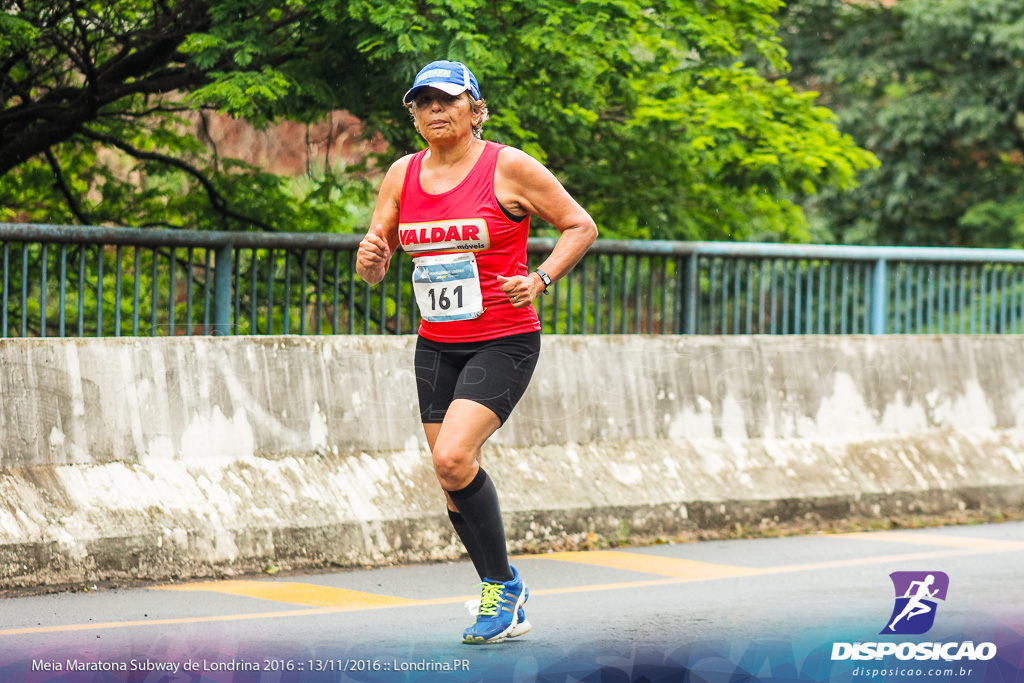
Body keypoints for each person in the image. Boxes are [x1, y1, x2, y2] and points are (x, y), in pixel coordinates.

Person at [355, 59, 597, 644]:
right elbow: (377, 255)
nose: (435, 110)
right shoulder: (402, 174)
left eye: (448, 99)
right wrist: (371, 262)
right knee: (452, 479)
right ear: (413, 115)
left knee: (451, 459)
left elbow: (579, 226)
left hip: (504, 336)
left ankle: (502, 589)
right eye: (423, 102)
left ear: (474, 107)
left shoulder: (506, 166)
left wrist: (540, 279)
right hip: (438, 342)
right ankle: (503, 586)